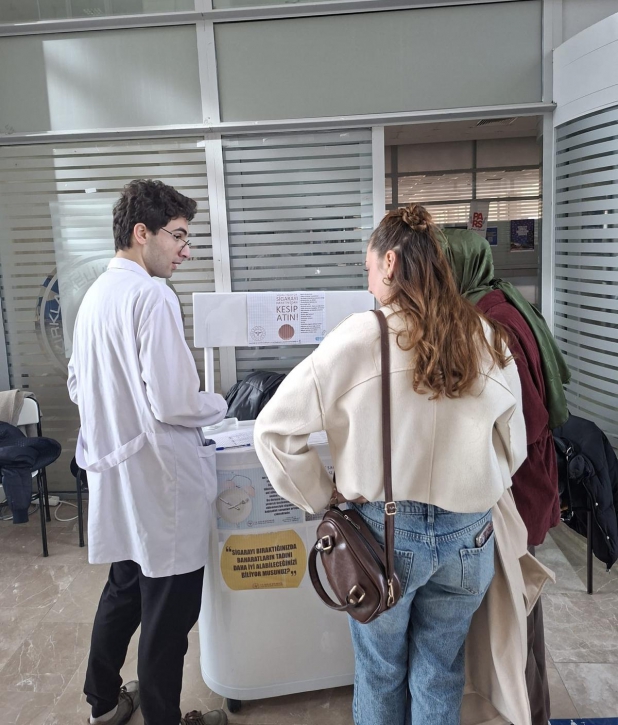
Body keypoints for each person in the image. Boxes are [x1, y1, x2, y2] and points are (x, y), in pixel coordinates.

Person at [254, 203, 528, 725]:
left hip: (382, 534)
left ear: (390, 262)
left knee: (380, 671)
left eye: (368, 267)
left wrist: (323, 497)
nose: (368, 282)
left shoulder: (359, 337)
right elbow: (513, 444)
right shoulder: (484, 335)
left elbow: (273, 432)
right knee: (441, 669)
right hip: (468, 536)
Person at [68, 180, 229, 725]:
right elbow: (175, 400)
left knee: (124, 591)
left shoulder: (96, 295)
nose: (186, 250)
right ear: (143, 233)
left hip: (118, 475)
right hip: (162, 482)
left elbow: (77, 385)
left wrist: (120, 416)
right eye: (178, 236)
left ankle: (103, 704)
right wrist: (219, 403)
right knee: (168, 615)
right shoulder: (152, 296)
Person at [442, 227, 571, 725]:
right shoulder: (499, 301)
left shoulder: (491, 320)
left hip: (518, 486)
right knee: (521, 610)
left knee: (517, 615)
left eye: (439, 267)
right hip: (526, 480)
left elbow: (527, 419)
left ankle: (531, 713)